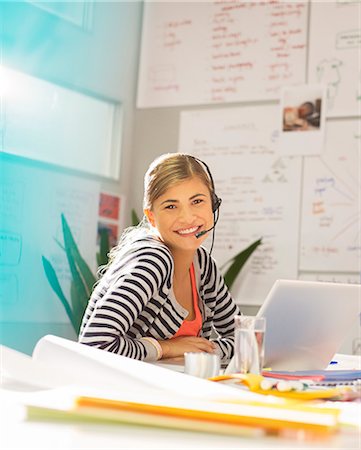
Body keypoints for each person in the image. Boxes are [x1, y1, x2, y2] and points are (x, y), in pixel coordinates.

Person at [79, 153, 240, 362]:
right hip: (119, 388)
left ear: (213, 205)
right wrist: (164, 348)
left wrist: (196, 352)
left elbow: (244, 340)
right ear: (152, 216)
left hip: (169, 387)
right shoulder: (152, 261)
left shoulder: (203, 265)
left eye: (197, 201)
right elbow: (94, 345)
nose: (187, 217)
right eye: (171, 206)